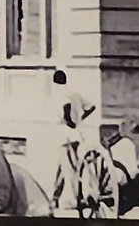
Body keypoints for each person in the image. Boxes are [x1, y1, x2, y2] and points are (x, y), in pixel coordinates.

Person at [50, 69, 96, 210]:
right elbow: (91, 107)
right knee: (62, 168)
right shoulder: (74, 94)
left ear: (54, 81)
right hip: (76, 135)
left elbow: (66, 107)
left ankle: (77, 199)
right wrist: (80, 119)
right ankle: (54, 198)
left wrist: (70, 121)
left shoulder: (58, 94)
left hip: (64, 136)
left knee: (70, 169)